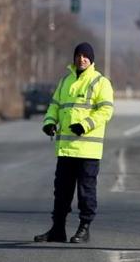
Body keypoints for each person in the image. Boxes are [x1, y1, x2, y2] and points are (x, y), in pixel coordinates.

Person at [34, 42, 114, 244]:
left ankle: (84, 228)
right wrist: (49, 123)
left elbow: (106, 111)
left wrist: (85, 125)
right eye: (78, 55)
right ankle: (57, 229)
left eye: (86, 56)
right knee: (61, 192)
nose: (81, 59)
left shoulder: (100, 82)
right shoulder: (65, 81)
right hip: (66, 149)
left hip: (88, 150)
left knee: (86, 193)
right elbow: (54, 106)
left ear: (91, 59)